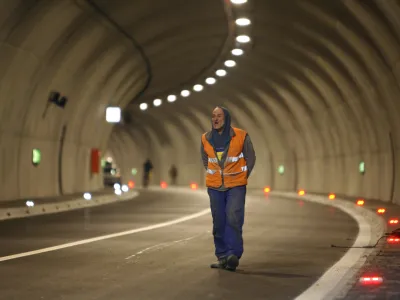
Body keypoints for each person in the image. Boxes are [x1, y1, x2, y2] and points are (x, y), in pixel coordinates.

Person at [200, 106, 256, 271]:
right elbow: (205, 159)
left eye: (219, 116)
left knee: (233, 217)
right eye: (213, 116)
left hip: (236, 185)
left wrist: (242, 176)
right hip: (215, 187)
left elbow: (250, 157)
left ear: (227, 118)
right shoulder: (205, 138)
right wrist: (215, 175)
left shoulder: (241, 136)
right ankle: (222, 256)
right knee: (218, 222)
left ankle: (233, 254)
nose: (215, 119)